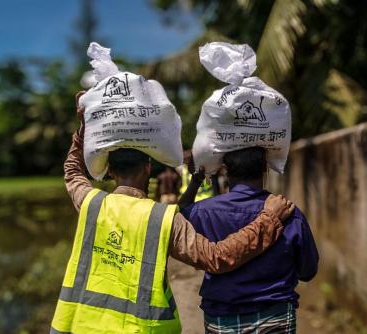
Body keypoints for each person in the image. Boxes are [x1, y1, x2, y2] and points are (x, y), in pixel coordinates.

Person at [49, 92, 296, 334]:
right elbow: (217, 257)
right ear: (147, 168)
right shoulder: (161, 219)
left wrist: (84, 126)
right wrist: (268, 219)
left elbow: (72, 170)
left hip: (75, 326)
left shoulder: (91, 202)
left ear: (110, 171)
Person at [181, 147, 319, 334]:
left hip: (223, 318)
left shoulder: (203, 212)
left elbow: (179, 215)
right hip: (276, 316)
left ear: (225, 170)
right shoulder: (288, 213)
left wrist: (196, 181)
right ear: (265, 167)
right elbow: (307, 271)